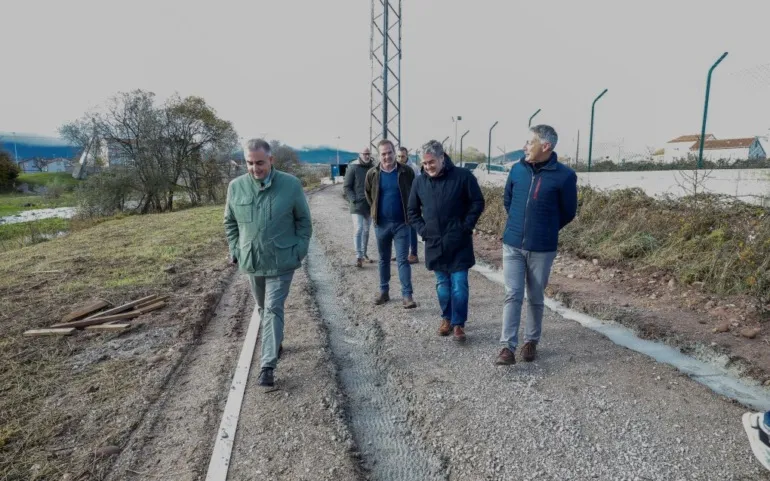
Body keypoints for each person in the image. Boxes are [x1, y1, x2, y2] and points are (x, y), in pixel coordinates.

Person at [224, 138, 312, 387]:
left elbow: (304, 222)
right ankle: (276, 340)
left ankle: (267, 366)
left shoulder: (291, 185)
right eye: (250, 163)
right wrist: (235, 249)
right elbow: (229, 222)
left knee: (273, 307)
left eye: (260, 162)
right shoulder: (236, 187)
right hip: (252, 260)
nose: (255, 168)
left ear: (271, 160)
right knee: (263, 308)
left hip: (283, 259)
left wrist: (299, 251)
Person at [496, 125, 577, 365]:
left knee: (535, 296)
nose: (524, 147)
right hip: (512, 244)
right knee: (512, 294)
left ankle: (531, 341)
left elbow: (568, 212)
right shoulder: (517, 170)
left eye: (529, 142)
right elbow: (508, 200)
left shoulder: (564, 176)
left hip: (542, 248)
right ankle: (507, 347)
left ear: (546, 146)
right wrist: (518, 226)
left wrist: (545, 228)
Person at [408, 140, 485, 342]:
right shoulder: (419, 182)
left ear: (442, 158)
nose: (428, 167)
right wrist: (424, 231)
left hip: (459, 241)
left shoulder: (463, 177)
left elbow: (477, 202)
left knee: (459, 285)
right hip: (434, 242)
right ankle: (446, 318)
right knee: (443, 284)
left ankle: (459, 324)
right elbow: (412, 211)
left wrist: (466, 226)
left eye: (431, 162)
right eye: (424, 164)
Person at [364, 139, 417, 309]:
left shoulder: (406, 172)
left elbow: (414, 193)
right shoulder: (372, 174)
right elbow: (369, 195)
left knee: (402, 260)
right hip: (382, 224)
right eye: (383, 154)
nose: (386, 156)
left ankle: (407, 296)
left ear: (395, 153)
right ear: (378, 156)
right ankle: (384, 292)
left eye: (389, 153)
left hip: (402, 223)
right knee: (383, 259)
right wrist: (376, 212)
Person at [343, 147, 375, 267]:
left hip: (370, 205)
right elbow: (347, 186)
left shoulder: (373, 167)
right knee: (359, 229)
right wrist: (353, 199)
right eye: (364, 154)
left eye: (368, 154)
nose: (366, 156)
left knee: (367, 230)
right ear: (360, 154)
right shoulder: (353, 167)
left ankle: (364, 254)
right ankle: (358, 256)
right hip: (357, 205)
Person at [397, 146, 420, 264]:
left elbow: (419, 185)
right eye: (399, 156)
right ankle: (402, 253)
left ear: (407, 156)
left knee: (411, 229)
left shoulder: (414, 168)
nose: (401, 158)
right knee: (399, 229)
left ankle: (414, 254)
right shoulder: (394, 167)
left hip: (410, 203)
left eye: (403, 156)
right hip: (398, 203)